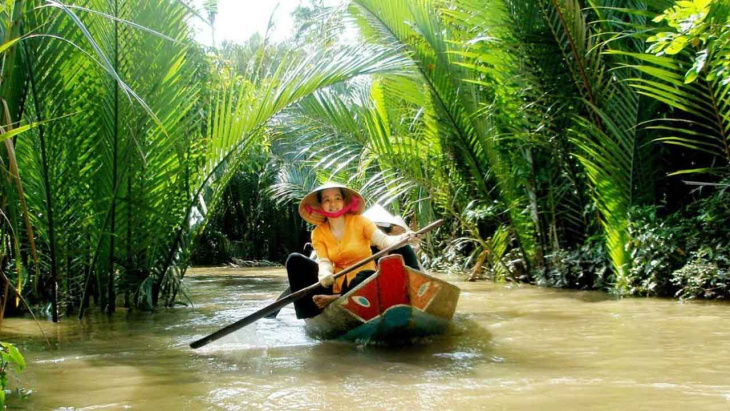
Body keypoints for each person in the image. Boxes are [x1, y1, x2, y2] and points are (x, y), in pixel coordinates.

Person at [286, 182, 417, 319]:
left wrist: (404, 237)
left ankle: (337, 298)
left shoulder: (361, 222)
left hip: (363, 281)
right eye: (327, 200)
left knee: (366, 275)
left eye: (337, 198)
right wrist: (325, 273)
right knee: (294, 260)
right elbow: (324, 260)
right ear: (320, 205)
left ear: (344, 202)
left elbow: (384, 241)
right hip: (336, 281)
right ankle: (312, 316)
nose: (333, 204)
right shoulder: (318, 233)